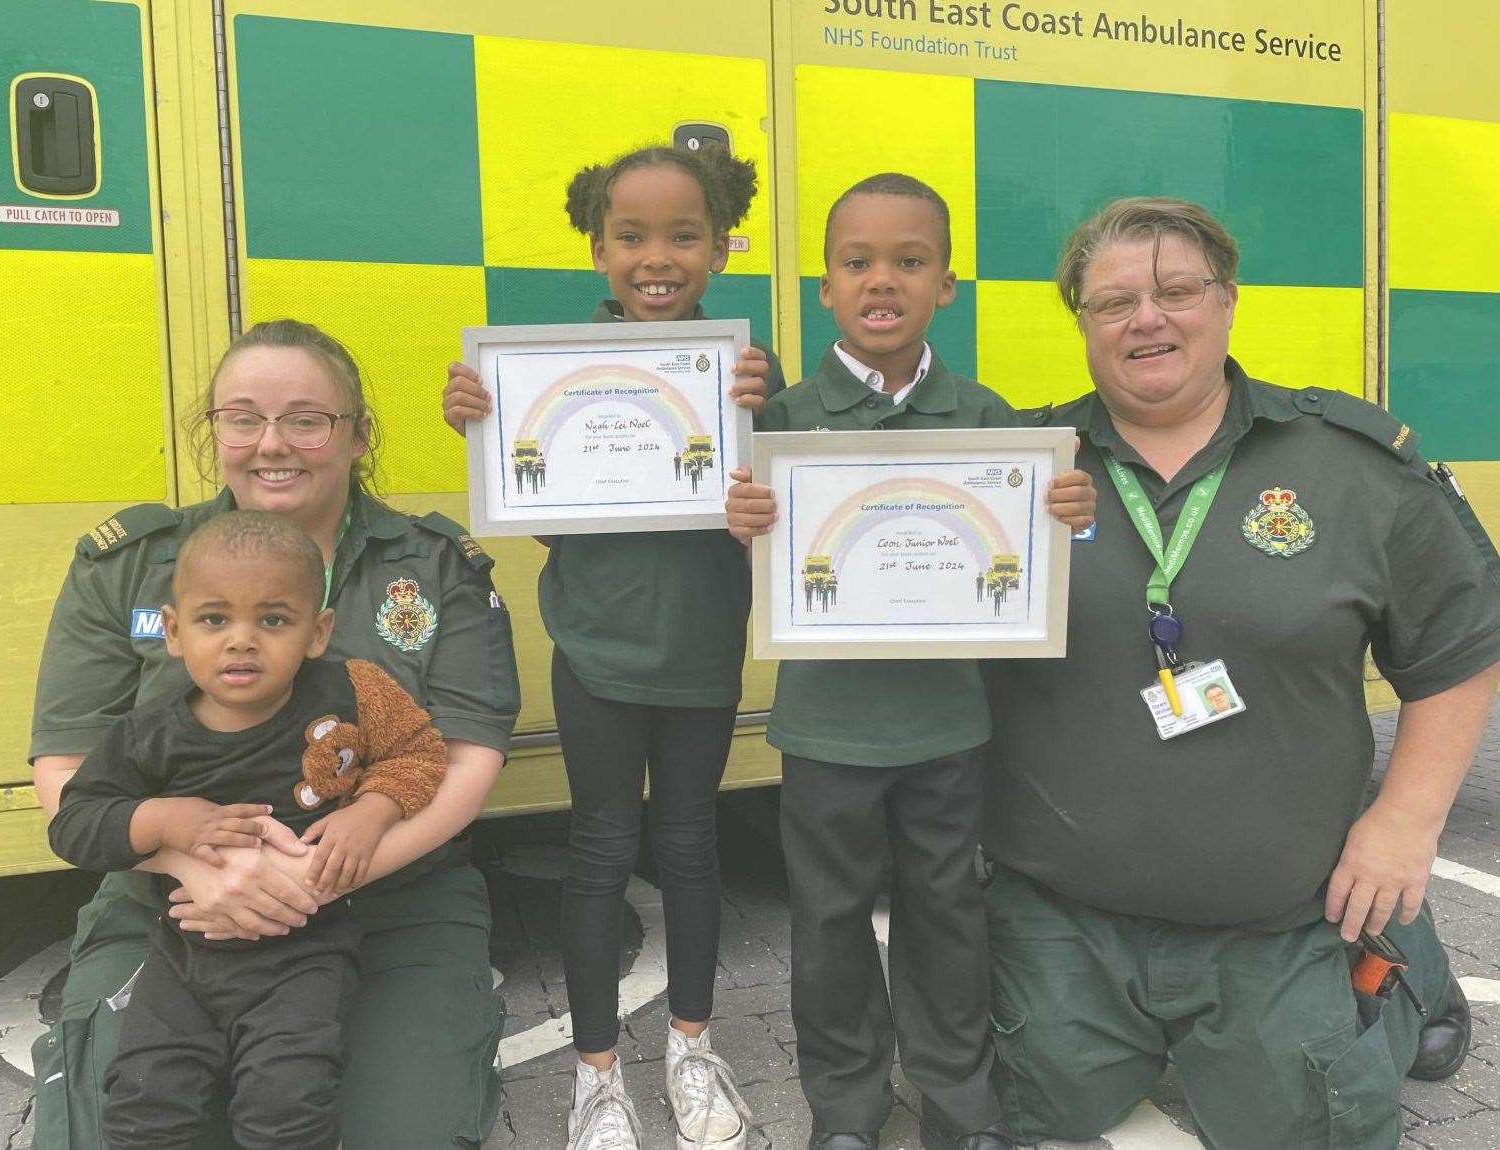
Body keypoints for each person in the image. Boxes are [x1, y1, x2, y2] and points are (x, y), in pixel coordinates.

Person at [976, 197, 1500, 1149]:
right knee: (1015, 1110)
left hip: (1280, 916)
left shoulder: (1349, 465)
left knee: (1309, 1126)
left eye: (1178, 290)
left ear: (1227, 302)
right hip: (1062, 913)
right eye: (1114, 302)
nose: (1148, 319)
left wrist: (1406, 824)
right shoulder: (1015, 469)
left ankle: (1408, 972)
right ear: (1081, 322)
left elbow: (1462, 645)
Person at [29, 319, 521, 1150]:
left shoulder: (435, 568)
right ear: (212, 430)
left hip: (389, 902)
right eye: (242, 418)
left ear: (359, 434)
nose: (271, 445)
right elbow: (70, 771)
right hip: (174, 907)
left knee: (393, 1131)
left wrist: (313, 880)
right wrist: (194, 866)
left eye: (306, 419)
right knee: (119, 1123)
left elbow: (468, 757)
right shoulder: (129, 564)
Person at [724, 173, 1097, 1150]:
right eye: (857, 262)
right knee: (829, 924)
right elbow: (730, 545)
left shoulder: (991, 422)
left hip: (945, 727)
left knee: (947, 918)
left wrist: (1067, 518)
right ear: (825, 287)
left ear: (947, 286)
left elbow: (1029, 557)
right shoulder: (780, 423)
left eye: (909, 260)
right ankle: (846, 1109)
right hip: (825, 731)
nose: (881, 280)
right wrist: (741, 520)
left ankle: (958, 1103)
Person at [443, 143, 786, 1150]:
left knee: (688, 845)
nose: (657, 256)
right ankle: (598, 1077)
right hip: (596, 651)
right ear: (598, 250)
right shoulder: (547, 374)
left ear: (721, 249)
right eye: (632, 236)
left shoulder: (746, 376)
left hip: (701, 654)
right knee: (600, 851)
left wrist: (765, 427)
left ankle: (691, 1045)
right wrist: (483, 427)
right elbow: (545, 511)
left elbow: (785, 505)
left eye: (683, 235)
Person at [49, 511, 450, 1150]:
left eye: (273, 620)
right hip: (184, 954)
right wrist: (160, 821)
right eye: (214, 620)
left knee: (286, 1099)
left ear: (316, 632)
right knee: (144, 1101)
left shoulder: (350, 691)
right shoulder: (147, 735)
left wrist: (371, 811)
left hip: (308, 949)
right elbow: (73, 823)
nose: (242, 640)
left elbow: (420, 752)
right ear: (175, 633)